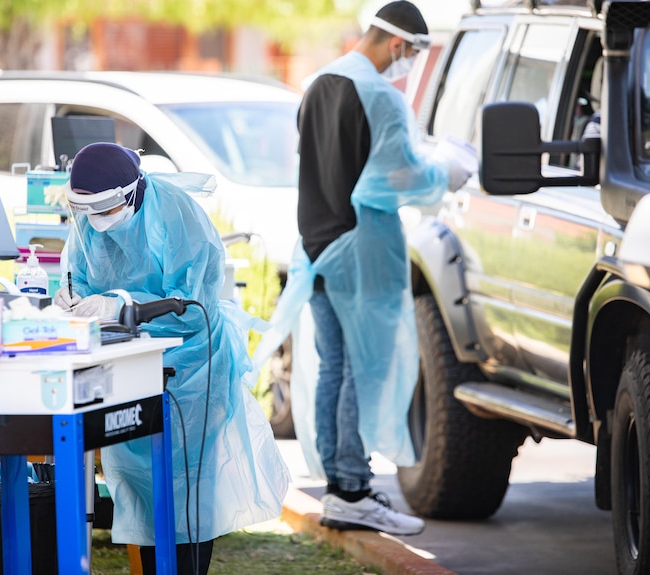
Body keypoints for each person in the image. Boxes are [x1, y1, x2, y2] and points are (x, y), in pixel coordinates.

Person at [253, 1, 475, 536]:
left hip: (317, 249)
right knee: (361, 369)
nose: (408, 64)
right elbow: (393, 178)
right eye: (412, 53)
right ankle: (351, 488)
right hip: (359, 250)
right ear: (399, 45)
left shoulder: (316, 84)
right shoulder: (379, 96)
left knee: (334, 368)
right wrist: (448, 171)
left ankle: (339, 487)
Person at [54, 143, 290, 574]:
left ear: (131, 193)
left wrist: (120, 302)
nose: (98, 224)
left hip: (193, 366)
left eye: (105, 210)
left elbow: (190, 306)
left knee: (189, 492)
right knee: (144, 492)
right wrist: (75, 298)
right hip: (129, 361)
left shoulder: (176, 216)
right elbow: (83, 276)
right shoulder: (90, 222)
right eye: (87, 211)